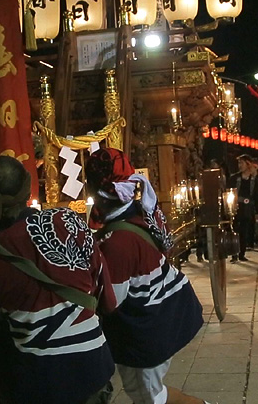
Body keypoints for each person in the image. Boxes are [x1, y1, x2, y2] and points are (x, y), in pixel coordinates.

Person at [0, 156, 115, 404]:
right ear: (27, 188)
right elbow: (107, 300)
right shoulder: (72, 224)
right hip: (93, 367)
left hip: (38, 382)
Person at [85, 148, 207, 404]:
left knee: (151, 398)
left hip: (147, 332)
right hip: (166, 315)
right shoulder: (140, 215)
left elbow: (111, 302)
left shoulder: (117, 242)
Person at [228, 155, 258, 261]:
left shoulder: (254, 180)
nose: (240, 166)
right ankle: (234, 253)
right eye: (239, 163)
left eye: (242, 163)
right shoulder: (234, 178)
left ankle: (241, 253)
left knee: (244, 232)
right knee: (234, 231)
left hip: (247, 209)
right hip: (235, 208)